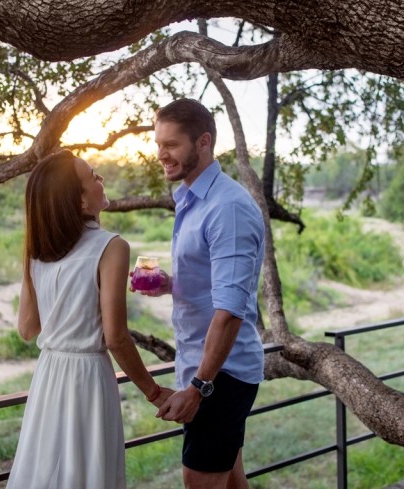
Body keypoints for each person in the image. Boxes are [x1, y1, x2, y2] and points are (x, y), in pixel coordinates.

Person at [8, 149, 172, 488]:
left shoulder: (38, 249)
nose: (101, 180)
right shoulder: (112, 246)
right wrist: (154, 392)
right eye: (94, 176)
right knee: (88, 471)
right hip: (86, 378)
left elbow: (27, 328)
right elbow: (116, 337)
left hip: (49, 375)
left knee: (47, 469)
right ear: (80, 201)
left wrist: (64, 299)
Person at [131, 98, 266, 489]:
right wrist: (168, 283)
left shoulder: (228, 208)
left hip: (221, 375)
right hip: (202, 367)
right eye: (158, 144)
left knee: (199, 480)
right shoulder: (190, 199)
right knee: (231, 481)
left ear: (203, 142)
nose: (161, 154)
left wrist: (199, 388)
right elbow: (212, 280)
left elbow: (230, 311)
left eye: (171, 145)